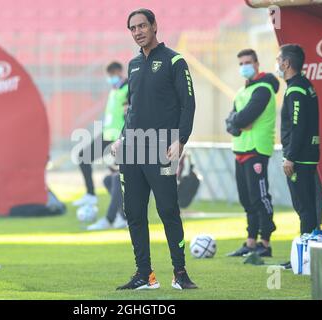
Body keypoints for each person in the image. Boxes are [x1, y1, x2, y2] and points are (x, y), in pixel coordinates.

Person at [111, 8, 197, 290]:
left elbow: (188, 104)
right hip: (132, 152)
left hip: (161, 149)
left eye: (142, 26)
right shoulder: (133, 65)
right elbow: (133, 109)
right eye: (133, 28)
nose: (137, 32)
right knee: (134, 213)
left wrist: (180, 139)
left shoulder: (175, 61)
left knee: (168, 210)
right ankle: (144, 275)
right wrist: (122, 138)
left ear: (154, 26)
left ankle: (180, 273)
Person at [225, 49, 279, 257]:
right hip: (240, 149)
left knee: (259, 197)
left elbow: (244, 117)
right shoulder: (242, 91)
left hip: (257, 149)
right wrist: (238, 123)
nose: (244, 67)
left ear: (257, 64)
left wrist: (238, 122)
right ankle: (250, 242)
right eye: (240, 63)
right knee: (246, 199)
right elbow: (232, 120)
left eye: (247, 62)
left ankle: (265, 243)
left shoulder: (264, 89)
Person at [278, 44, 320, 235]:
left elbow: (298, 126)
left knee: (304, 208)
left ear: (286, 63)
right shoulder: (304, 84)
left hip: (300, 158)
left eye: (279, 59)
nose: (277, 63)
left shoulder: (296, 90)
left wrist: (290, 157)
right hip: (306, 155)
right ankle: (308, 251)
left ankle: (306, 255)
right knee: (307, 207)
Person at [73, 62, 128, 207]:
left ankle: (121, 214)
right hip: (108, 134)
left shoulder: (128, 88)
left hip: (119, 136)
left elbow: (129, 112)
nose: (111, 78)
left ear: (120, 72)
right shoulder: (114, 90)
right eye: (109, 76)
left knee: (120, 175)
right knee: (83, 156)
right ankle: (91, 195)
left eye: (113, 75)